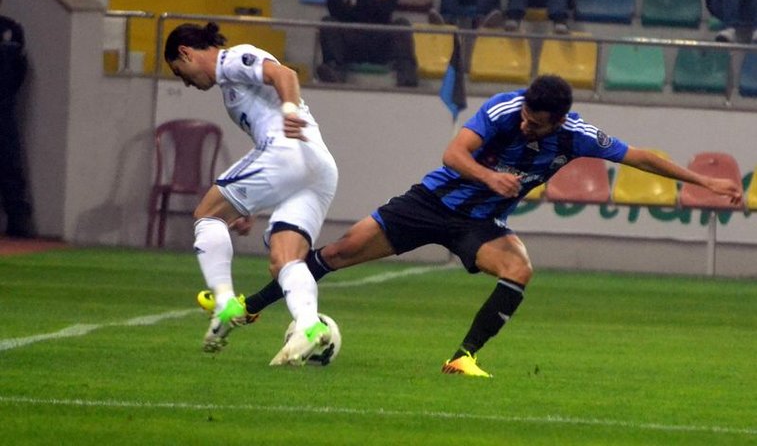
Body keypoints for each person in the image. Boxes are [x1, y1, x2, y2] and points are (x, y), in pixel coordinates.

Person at [235, 75, 743, 377]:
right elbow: (454, 153)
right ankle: (252, 306)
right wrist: (489, 176)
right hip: (431, 202)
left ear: (557, 121)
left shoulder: (576, 136)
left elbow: (641, 158)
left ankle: (463, 358)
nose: (525, 124)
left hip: (479, 223)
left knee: (519, 270)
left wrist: (704, 181)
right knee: (340, 252)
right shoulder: (503, 108)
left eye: (536, 124)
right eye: (525, 116)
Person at [164, 22, 339, 366]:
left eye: (178, 71)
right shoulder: (230, 86)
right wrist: (250, 205)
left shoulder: (232, 60)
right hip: (316, 168)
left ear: (186, 53)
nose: (185, 81)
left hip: (287, 152)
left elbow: (284, 74)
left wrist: (290, 111)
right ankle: (309, 325)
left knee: (207, 214)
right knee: (285, 259)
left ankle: (225, 303)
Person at [0, 0, 32, 238]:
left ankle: (17, 220)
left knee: (10, 164)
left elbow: (19, 71)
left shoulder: (11, 30)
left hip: (3, 107)